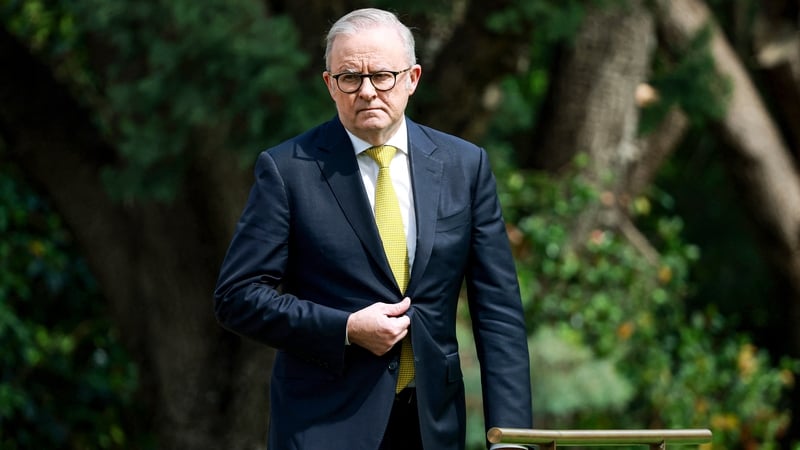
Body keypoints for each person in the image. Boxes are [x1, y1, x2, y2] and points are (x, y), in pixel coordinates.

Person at [214, 7, 532, 450]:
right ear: (329, 84)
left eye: (382, 75)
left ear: (412, 78)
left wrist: (512, 438)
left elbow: (498, 312)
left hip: (431, 426)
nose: (367, 91)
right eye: (350, 77)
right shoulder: (288, 170)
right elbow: (237, 297)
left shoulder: (466, 165)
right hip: (323, 425)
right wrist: (344, 326)